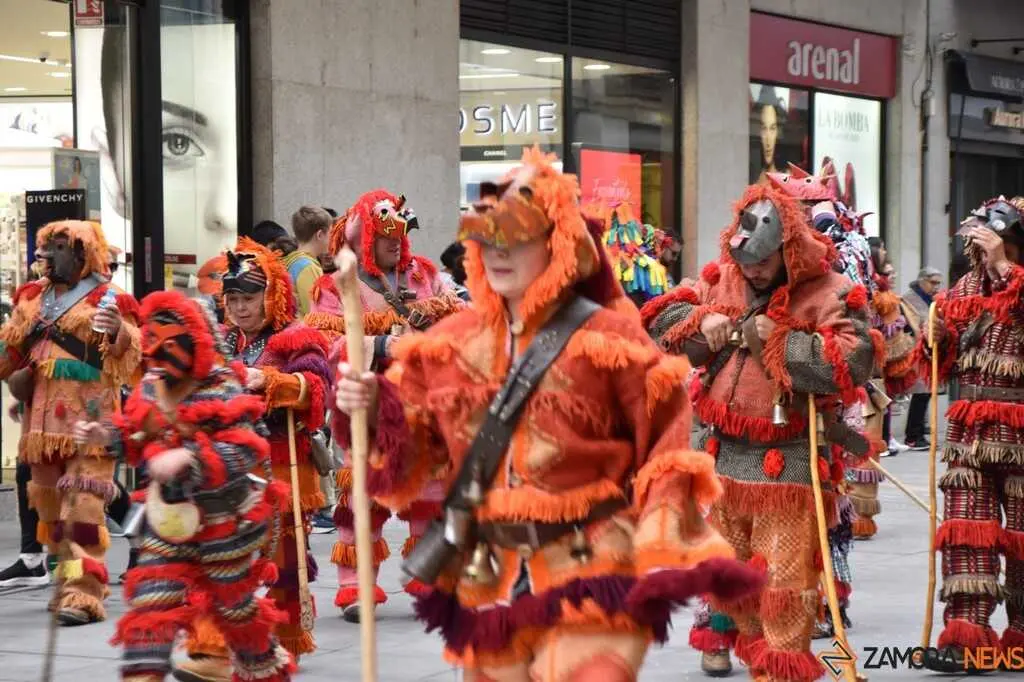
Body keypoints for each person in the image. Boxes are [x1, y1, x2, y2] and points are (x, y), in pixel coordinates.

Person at [334, 148, 762, 680]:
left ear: (556, 244)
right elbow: (412, 453)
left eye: (517, 238)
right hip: (489, 574)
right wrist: (372, 405)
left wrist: (662, 534)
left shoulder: (611, 339)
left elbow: (666, 448)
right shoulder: (451, 344)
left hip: (590, 564)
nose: (498, 251)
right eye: (489, 236)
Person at [644, 182, 877, 682]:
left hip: (788, 461)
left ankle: (782, 671)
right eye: (745, 260)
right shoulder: (723, 280)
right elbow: (660, 319)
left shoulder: (830, 288)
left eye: (763, 261)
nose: (751, 270)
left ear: (787, 250)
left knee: (783, 587)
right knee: (735, 589)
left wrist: (783, 342)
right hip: (724, 461)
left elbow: (857, 360)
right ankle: (757, 664)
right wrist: (701, 319)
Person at [72, 290, 294, 682]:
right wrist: (103, 435)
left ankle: (262, 669)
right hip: (167, 522)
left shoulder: (224, 386)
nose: (158, 353)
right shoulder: (150, 387)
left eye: (170, 343)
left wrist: (190, 458)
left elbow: (246, 449)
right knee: (151, 607)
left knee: (235, 611)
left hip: (224, 523)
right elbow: (136, 433)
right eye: (152, 340)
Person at [302, 191, 464, 621]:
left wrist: (435, 332)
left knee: (429, 494)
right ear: (364, 238)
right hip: (366, 405)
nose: (396, 243)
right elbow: (323, 344)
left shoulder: (425, 275)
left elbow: (457, 321)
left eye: (400, 235)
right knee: (362, 497)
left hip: (420, 403)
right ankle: (355, 586)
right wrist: (379, 344)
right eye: (385, 235)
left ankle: (427, 580)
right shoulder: (335, 284)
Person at [175, 238, 331, 681]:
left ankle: (278, 641)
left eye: (250, 297)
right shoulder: (220, 339)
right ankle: (211, 645)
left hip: (280, 465)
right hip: (225, 468)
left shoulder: (296, 335)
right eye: (234, 299)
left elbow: (317, 390)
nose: (241, 307)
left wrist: (272, 380)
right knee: (219, 558)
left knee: (279, 563)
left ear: (272, 294)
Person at [0, 219, 141, 625]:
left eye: (59, 247)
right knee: (53, 518)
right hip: (40, 431)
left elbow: (134, 356)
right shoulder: (31, 298)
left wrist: (119, 332)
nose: (46, 255)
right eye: (46, 247)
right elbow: (10, 355)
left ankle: (84, 594)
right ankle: (68, 582)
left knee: (83, 512)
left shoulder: (111, 298)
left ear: (83, 254)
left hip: (90, 427)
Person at [918, 196, 1024, 672]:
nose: (984, 253)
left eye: (995, 245)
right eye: (979, 247)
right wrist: (935, 339)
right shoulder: (962, 288)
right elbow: (940, 361)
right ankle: (966, 640)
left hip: (1020, 434)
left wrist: (1005, 268)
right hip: (970, 436)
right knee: (967, 537)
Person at [902, 266, 942, 449]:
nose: (936, 287)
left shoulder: (930, 299)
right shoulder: (908, 299)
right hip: (915, 350)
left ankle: (918, 431)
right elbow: (917, 324)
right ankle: (913, 435)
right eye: (933, 283)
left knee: (925, 393)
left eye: (938, 283)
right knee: (921, 392)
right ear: (922, 281)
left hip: (927, 350)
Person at [282, 206, 329, 316]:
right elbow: (314, 313)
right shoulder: (308, 267)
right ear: (320, 235)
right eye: (330, 233)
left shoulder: (290, 261)